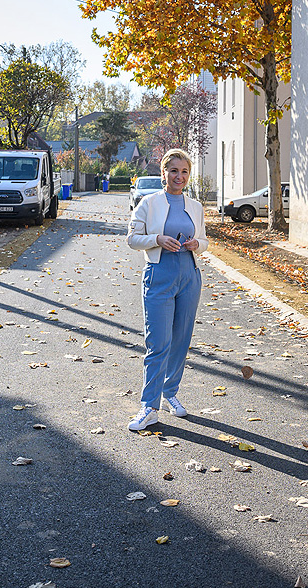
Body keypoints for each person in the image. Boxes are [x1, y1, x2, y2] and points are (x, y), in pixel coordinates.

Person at [125, 149, 208, 430]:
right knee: (158, 343)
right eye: (174, 170)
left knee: (181, 341)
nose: (179, 176)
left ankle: (170, 392)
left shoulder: (195, 206)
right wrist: (157, 239)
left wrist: (198, 244)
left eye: (184, 171)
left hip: (189, 276)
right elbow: (132, 238)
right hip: (159, 275)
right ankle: (149, 406)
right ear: (164, 173)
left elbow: (205, 240)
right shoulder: (149, 203)